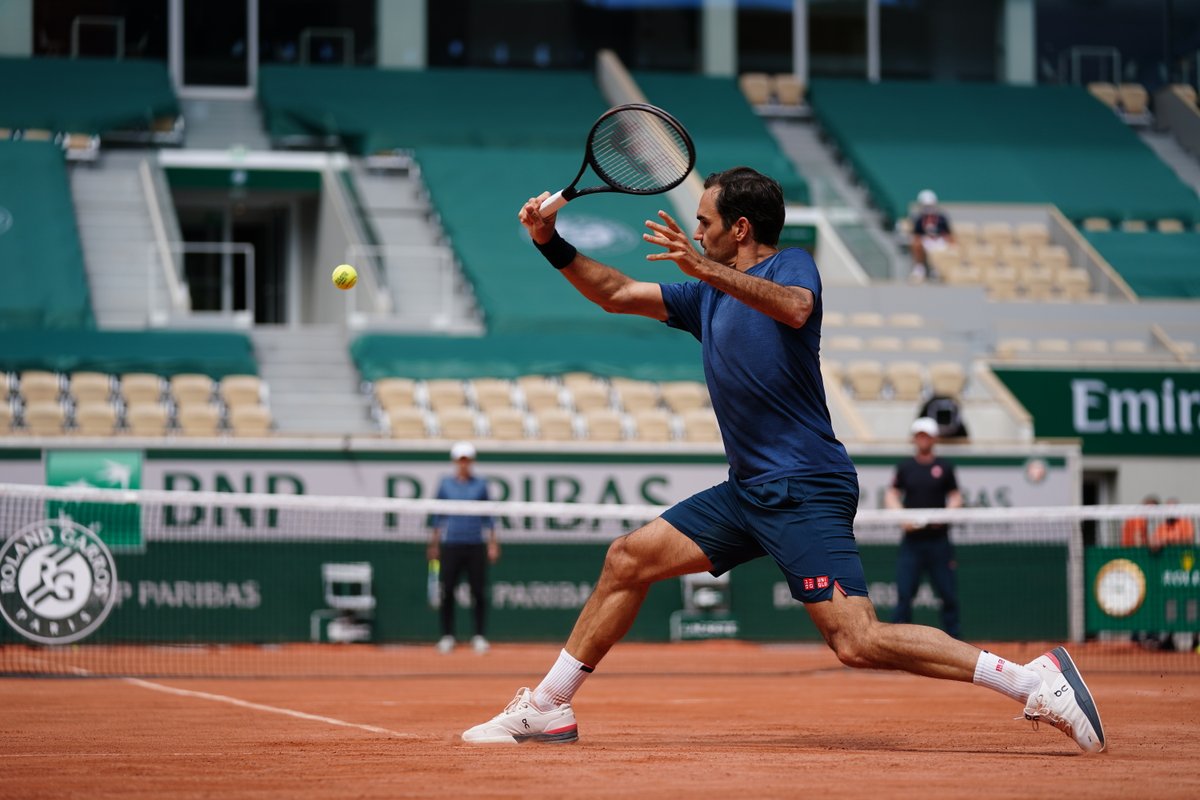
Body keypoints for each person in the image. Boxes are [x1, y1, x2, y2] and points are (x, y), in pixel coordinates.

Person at [461, 166, 1104, 753]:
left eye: (705, 223)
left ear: (740, 229)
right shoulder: (705, 297)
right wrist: (550, 242)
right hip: (748, 491)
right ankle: (548, 706)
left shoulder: (791, 265)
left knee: (856, 639)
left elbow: (796, 308)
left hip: (803, 485)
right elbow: (618, 292)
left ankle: (1032, 681)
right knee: (628, 558)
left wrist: (702, 268)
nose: (696, 233)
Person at [885, 417, 964, 638]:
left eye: (926, 436)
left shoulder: (944, 467)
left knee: (948, 595)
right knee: (904, 594)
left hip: (939, 542)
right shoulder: (905, 467)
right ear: (914, 438)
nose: (923, 439)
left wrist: (944, 516)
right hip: (912, 543)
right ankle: (898, 643)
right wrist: (903, 518)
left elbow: (956, 497)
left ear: (934, 438)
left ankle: (955, 642)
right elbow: (891, 495)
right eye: (919, 435)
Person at [428, 441, 499, 655]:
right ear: (455, 461)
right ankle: (447, 636)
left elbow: (489, 516)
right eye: (461, 460)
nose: (464, 464)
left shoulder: (481, 485)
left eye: (467, 460)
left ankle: (479, 636)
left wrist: (493, 543)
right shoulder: (445, 484)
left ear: (471, 462)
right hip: (451, 544)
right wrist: (434, 543)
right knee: (447, 590)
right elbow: (437, 516)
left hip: (475, 544)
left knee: (478, 591)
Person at [909, 189, 954, 282]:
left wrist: (950, 244)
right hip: (926, 241)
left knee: (946, 247)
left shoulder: (941, 218)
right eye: (926, 206)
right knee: (916, 244)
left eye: (929, 206)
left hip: (939, 240)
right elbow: (916, 235)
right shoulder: (919, 219)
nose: (928, 208)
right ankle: (920, 268)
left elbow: (948, 234)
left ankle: (937, 269)